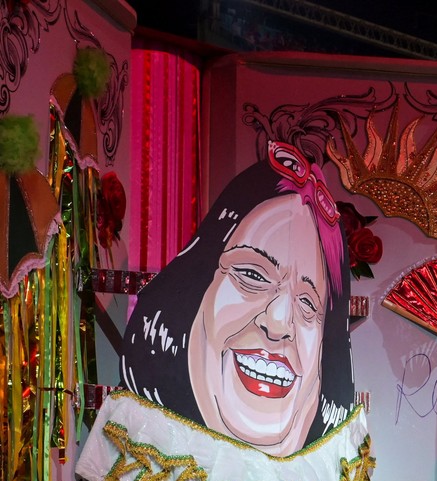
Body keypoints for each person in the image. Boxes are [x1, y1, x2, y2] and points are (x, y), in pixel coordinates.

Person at [119, 140, 355, 456]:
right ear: (195, 292)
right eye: (253, 275)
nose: (279, 322)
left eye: (308, 303)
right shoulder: (139, 458)